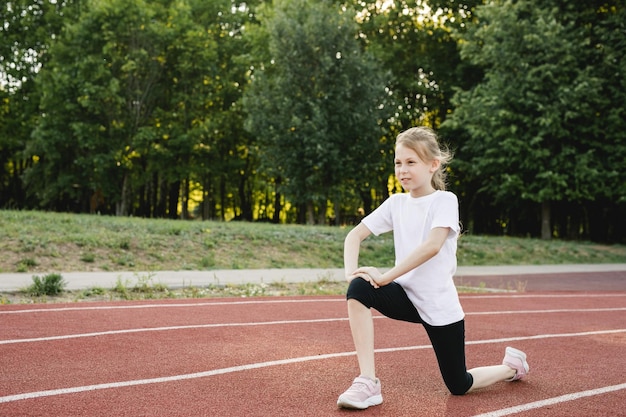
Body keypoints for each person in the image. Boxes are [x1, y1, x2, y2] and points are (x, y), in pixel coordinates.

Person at [337, 127, 529, 410]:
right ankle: (368, 382)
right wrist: (352, 273)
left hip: (439, 306)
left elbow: (432, 246)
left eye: (411, 162)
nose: (403, 170)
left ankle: (511, 367)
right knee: (358, 289)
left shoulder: (444, 200)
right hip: (406, 297)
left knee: (458, 385)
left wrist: (385, 276)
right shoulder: (396, 203)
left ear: (433, 164)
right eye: (398, 163)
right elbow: (354, 235)